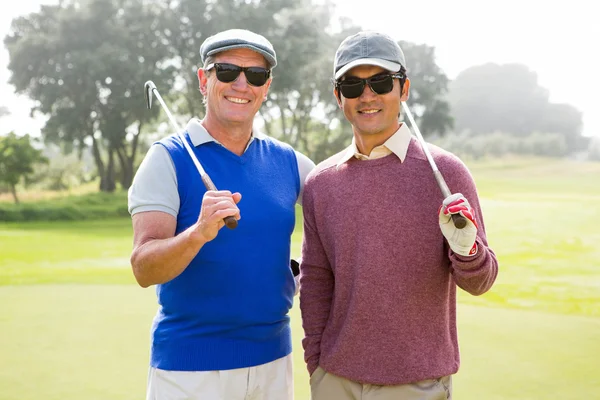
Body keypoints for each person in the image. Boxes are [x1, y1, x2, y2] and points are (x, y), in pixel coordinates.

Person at [299, 31, 499, 400]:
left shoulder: (447, 173)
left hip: (416, 383)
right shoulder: (320, 183)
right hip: (335, 380)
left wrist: (467, 251)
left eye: (380, 82)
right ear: (337, 95)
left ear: (403, 89)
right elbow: (315, 280)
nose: (368, 96)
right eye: (352, 85)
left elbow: (481, 281)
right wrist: (317, 365)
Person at [128, 29, 314, 400]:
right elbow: (144, 268)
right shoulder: (166, 159)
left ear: (266, 86)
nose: (241, 84)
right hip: (190, 368)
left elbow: (344, 209)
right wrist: (198, 232)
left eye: (255, 75)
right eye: (227, 71)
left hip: (274, 360)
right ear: (204, 79)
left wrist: (299, 268)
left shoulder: (289, 162)